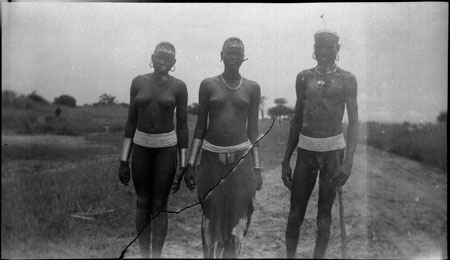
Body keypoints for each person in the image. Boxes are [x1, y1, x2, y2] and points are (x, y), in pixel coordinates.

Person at [281, 28, 359, 258]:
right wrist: (286, 160)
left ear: (338, 49)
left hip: (333, 153)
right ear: (314, 49)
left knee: (324, 216)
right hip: (306, 151)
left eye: (328, 46)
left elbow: (354, 122)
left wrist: (348, 163)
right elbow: (297, 120)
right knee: (295, 215)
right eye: (319, 46)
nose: (323, 51)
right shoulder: (304, 77)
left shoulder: (347, 79)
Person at [184, 37, 263, 258]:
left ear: (244, 58)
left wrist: (257, 169)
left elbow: (253, 131)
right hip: (211, 162)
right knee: (211, 219)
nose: (234, 57)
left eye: (239, 54)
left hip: (241, 161)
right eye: (230, 53)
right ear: (221, 55)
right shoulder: (208, 85)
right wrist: (191, 164)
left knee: (238, 221)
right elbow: (201, 127)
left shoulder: (252, 88)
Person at [118, 41, 188, 258]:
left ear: (173, 62)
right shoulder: (138, 82)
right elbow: (131, 121)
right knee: (142, 203)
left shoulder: (179, 86)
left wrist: (183, 163)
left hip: (166, 149)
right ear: (152, 57)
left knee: (159, 204)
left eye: (167, 58)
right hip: (140, 148)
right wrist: (123, 160)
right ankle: (144, 255)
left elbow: (183, 125)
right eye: (159, 57)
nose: (162, 62)